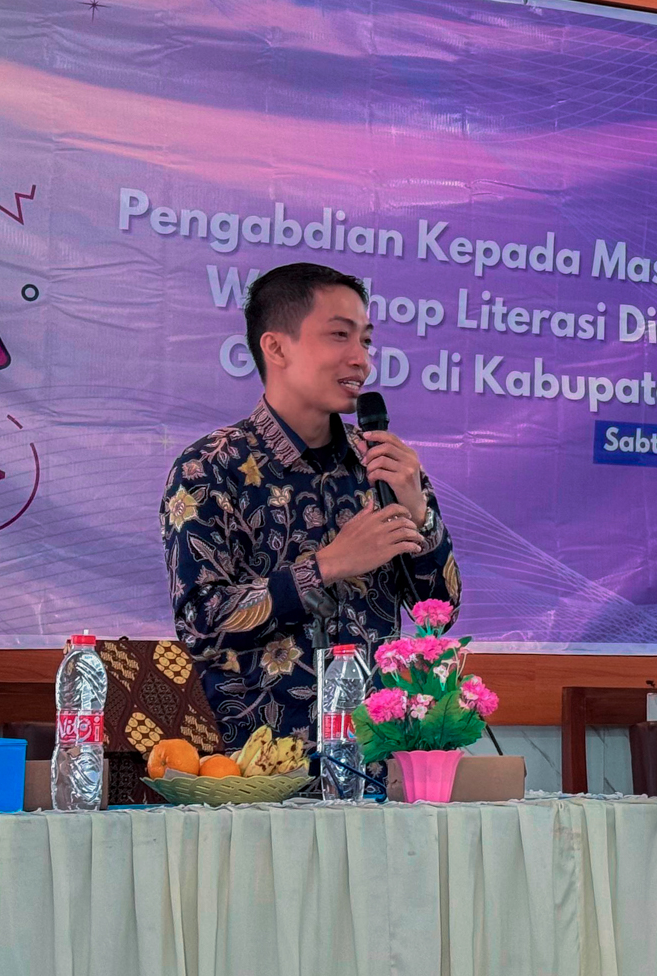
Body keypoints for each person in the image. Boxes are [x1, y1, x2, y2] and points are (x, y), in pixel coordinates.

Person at [161, 263, 458, 748]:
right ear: (276, 347)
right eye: (340, 335)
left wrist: (419, 516)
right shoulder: (209, 467)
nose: (361, 359)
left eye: (366, 341)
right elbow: (201, 624)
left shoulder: (383, 464)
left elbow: (439, 616)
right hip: (258, 762)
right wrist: (327, 566)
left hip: (377, 753)